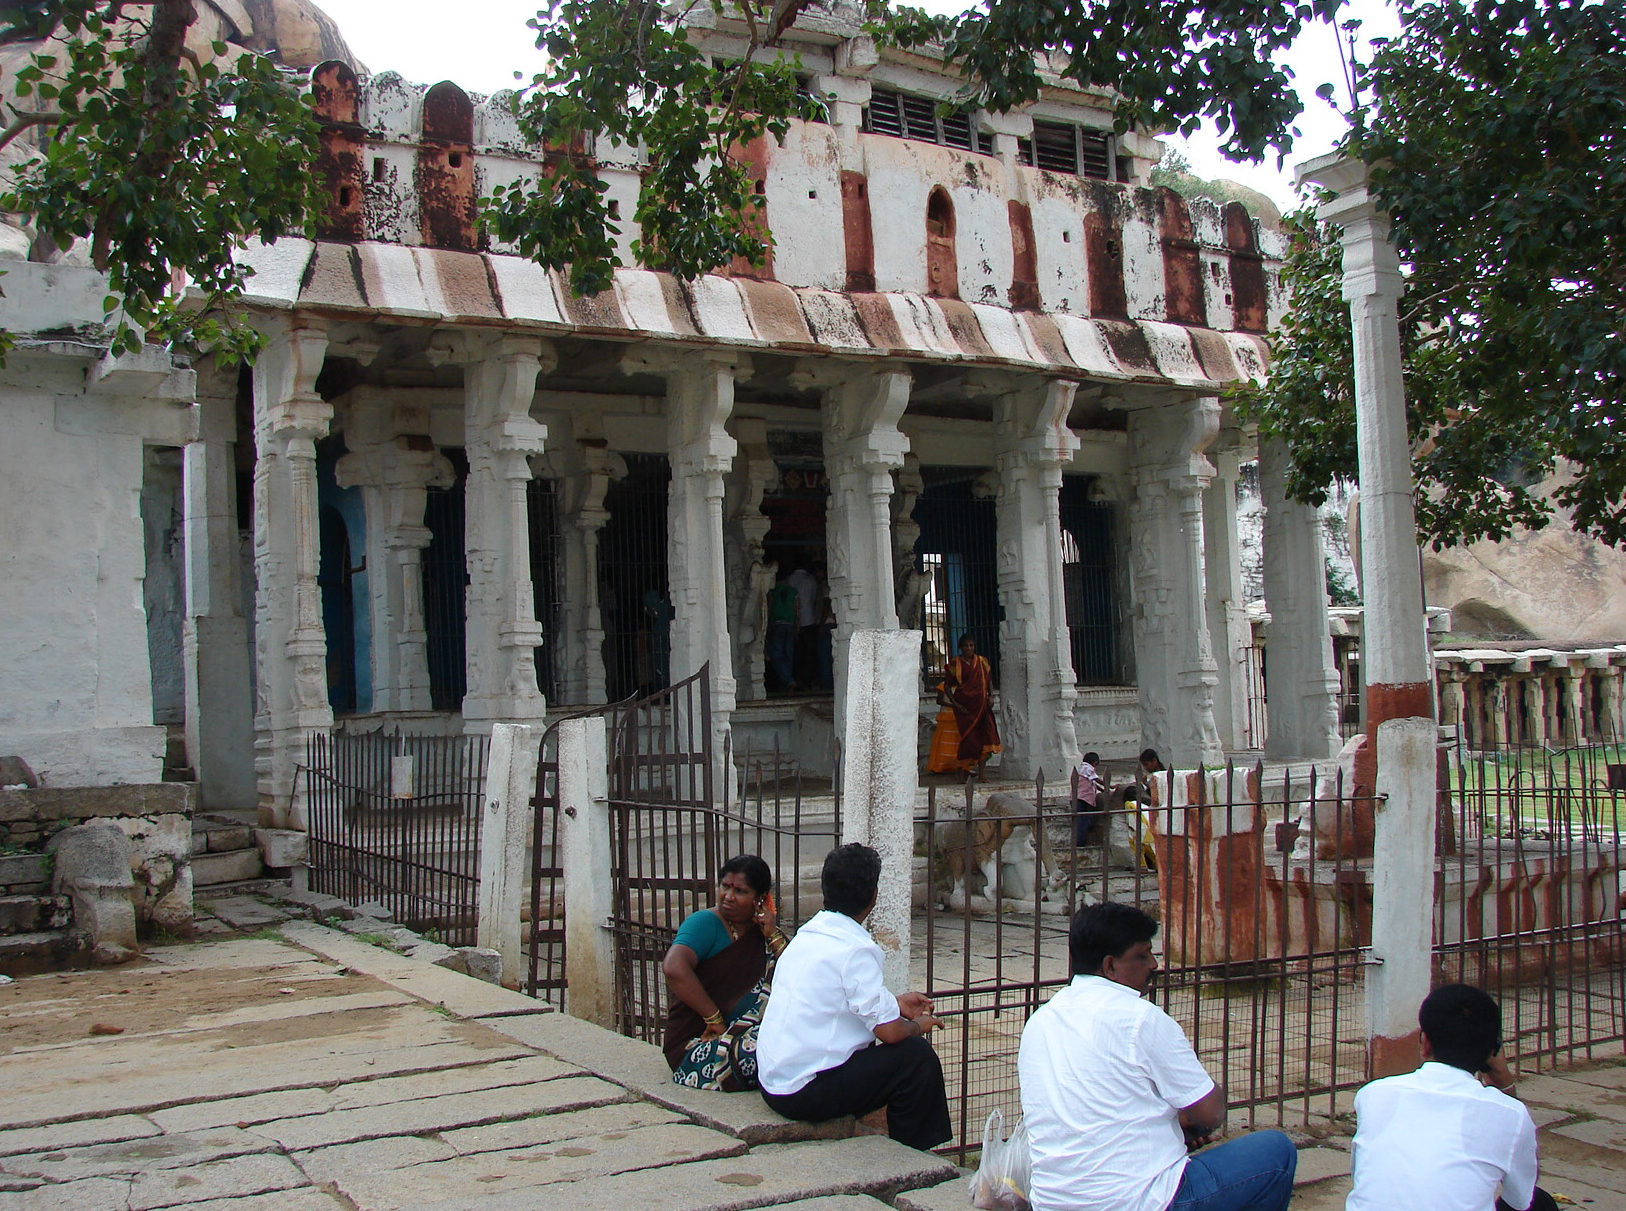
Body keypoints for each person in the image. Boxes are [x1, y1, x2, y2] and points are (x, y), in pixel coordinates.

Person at [1019, 902, 1296, 1211]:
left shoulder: (1041, 1019)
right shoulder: (1140, 1019)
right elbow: (1210, 1113)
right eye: (1142, 955)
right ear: (1110, 966)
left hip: (1053, 1202)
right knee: (1276, 1152)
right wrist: (1188, 1122)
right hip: (1137, 1200)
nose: (1154, 964)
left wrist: (1175, 1124)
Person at [756, 842, 953, 1151]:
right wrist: (918, 1026)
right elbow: (888, 1032)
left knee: (894, 1046)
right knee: (916, 1058)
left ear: (825, 888)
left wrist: (895, 1004)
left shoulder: (810, 933)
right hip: (800, 1093)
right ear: (873, 896)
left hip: (773, 1081)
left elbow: (844, 999)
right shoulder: (857, 948)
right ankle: (915, 1153)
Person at [1346, 984, 1557, 1211]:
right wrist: (1503, 1080)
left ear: (1425, 1043)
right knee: (1540, 1204)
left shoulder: (1373, 1095)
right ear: (1491, 1052)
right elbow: (1521, 1196)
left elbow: (1361, 1174)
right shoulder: (1509, 1114)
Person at [661, 854, 789, 1091]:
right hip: (698, 1045)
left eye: (740, 891)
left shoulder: (764, 935)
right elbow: (674, 968)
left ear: (760, 899)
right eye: (724, 887)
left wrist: (771, 933)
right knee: (771, 1051)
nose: (728, 896)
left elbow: (795, 973)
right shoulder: (705, 923)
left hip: (744, 1037)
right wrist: (715, 1021)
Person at [937, 634, 1002, 780]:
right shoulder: (955, 664)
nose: (969, 648)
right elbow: (947, 686)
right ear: (961, 647)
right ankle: (962, 771)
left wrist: (991, 696)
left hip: (982, 706)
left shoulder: (982, 662)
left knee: (987, 737)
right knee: (969, 740)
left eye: (971, 645)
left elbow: (989, 680)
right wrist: (955, 704)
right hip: (965, 708)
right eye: (966, 646)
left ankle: (982, 774)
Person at [765, 575, 799, 692]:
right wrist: (797, 626)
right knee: (788, 655)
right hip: (790, 624)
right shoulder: (793, 592)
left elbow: (768, 608)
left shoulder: (772, 591)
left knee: (775, 654)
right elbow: (796, 610)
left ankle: (788, 681)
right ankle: (787, 683)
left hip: (777, 624)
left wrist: (767, 625)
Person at [1073, 750, 1105, 845]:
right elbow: (1095, 779)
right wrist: (1108, 785)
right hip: (1081, 799)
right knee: (1082, 821)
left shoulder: (1083, 770)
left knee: (1086, 820)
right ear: (1095, 763)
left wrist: (1103, 790)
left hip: (1082, 799)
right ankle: (1080, 842)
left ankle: (1083, 839)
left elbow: (1093, 783)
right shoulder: (1086, 767)